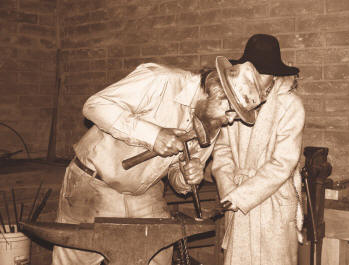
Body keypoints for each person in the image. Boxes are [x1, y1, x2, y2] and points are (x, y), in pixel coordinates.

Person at [52, 57, 264, 265]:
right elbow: (95, 106)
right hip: (95, 183)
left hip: (145, 192)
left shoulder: (212, 121)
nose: (229, 121)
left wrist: (188, 175)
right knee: (78, 255)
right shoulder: (161, 80)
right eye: (231, 113)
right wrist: (153, 136)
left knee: (158, 253)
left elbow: (178, 179)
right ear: (217, 92)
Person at [211, 34, 305, 265]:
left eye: (264, 72)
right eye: (253, 71)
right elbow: (222, 151)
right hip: (237, 195)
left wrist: (242, 196)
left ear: (275, 74)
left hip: (272, 201)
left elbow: (283, 163)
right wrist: (228, 190)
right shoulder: (235, 100)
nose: (258, 78)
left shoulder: (290, 105)